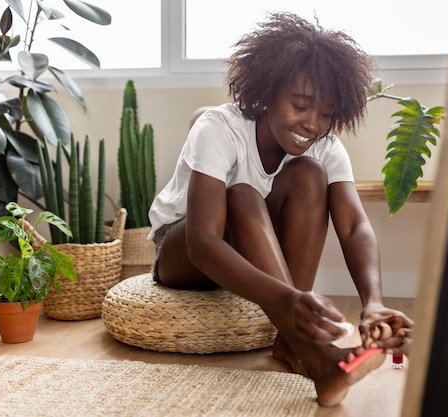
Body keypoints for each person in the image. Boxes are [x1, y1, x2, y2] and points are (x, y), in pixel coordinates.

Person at [148, 12, 414, 407]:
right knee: (242, 195)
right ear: (267, 92)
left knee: (309, 174)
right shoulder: (219, 127)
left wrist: (372, 302)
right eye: (300, 106)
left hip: (247, 253)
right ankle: (311, 348)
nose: (312, 124)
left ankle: (290, 343)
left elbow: (354, 226)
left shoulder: (324, 146)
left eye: (325, 114)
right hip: (183, 250)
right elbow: (202, 242)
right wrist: (290, 300)